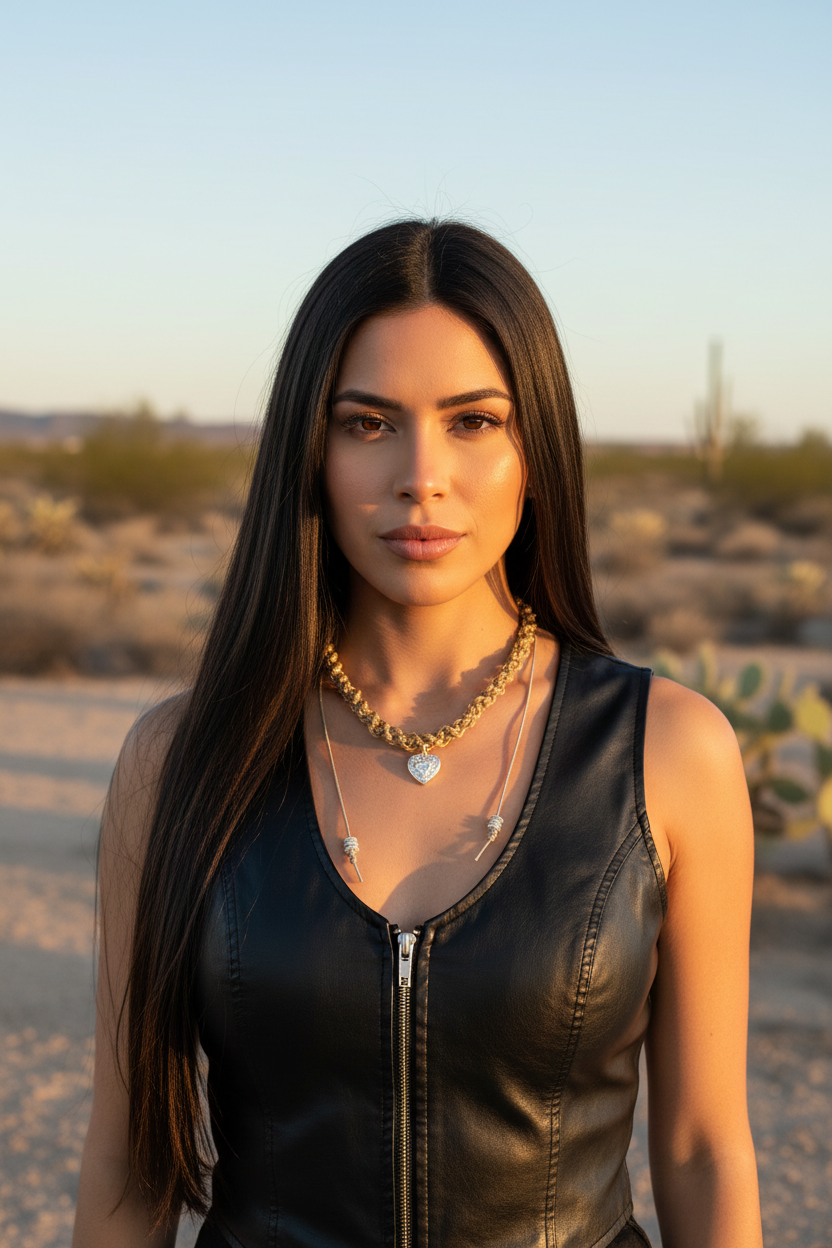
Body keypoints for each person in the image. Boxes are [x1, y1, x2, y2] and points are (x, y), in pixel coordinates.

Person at [72, 220, 763, 1248]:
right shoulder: (177, 763)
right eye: (367, 424)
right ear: (309, 451)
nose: (420, 475)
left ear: (537, 449)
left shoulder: (667, 750)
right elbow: (131, 1162)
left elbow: (704, 1146)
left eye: (474, 422)